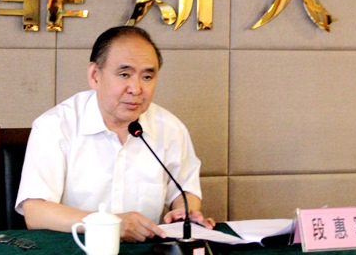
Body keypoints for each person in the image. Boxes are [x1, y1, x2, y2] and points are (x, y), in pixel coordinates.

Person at [15, 26, 215, 242]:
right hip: (75, 247)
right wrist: (108, 224)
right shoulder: (55, 126)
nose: (136, 89)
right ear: (95, 76)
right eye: (124, 75)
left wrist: (183, 211)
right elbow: (35, 212)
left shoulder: (170, 129)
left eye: (147, 77)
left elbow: (185, 191)